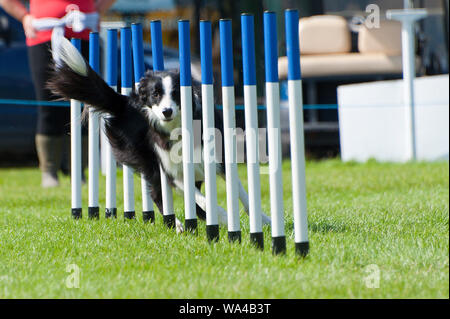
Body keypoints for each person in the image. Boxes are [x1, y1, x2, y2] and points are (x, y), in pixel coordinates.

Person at [0, 0, 116, 187]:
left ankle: (79, 171)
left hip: (83, 34)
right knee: (48, 104)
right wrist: (24, 16)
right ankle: (49, 172)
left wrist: (98, 8)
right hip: (43, 36)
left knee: (83, 105)